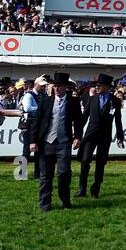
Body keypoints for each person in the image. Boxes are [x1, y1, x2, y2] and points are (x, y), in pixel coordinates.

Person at [27, 73, 81, 211]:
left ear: (65, 87)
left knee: (64, 173)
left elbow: (78, 122)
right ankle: (45, 204)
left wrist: (77, 137)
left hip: (64, 142)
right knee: (45, 175)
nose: (56, 88)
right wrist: (33, 141)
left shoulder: (73, 102)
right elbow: (37, 122)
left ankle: (65, 201)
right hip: (47, 142)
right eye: (55, 86)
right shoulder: (46, 101)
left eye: (59, 86)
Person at [76, 73, 125, 198]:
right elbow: (84, 117)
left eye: (100, 85)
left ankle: (96, 187)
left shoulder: (115, 101)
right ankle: (82, 188)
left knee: (100, 162)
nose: (97, 87)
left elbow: (118, 120)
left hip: (104, 136)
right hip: (91, 135)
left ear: (107, 87)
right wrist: (77, 134)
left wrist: (120, 137)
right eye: (97, 85)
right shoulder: (91, 99)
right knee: (85, 160)